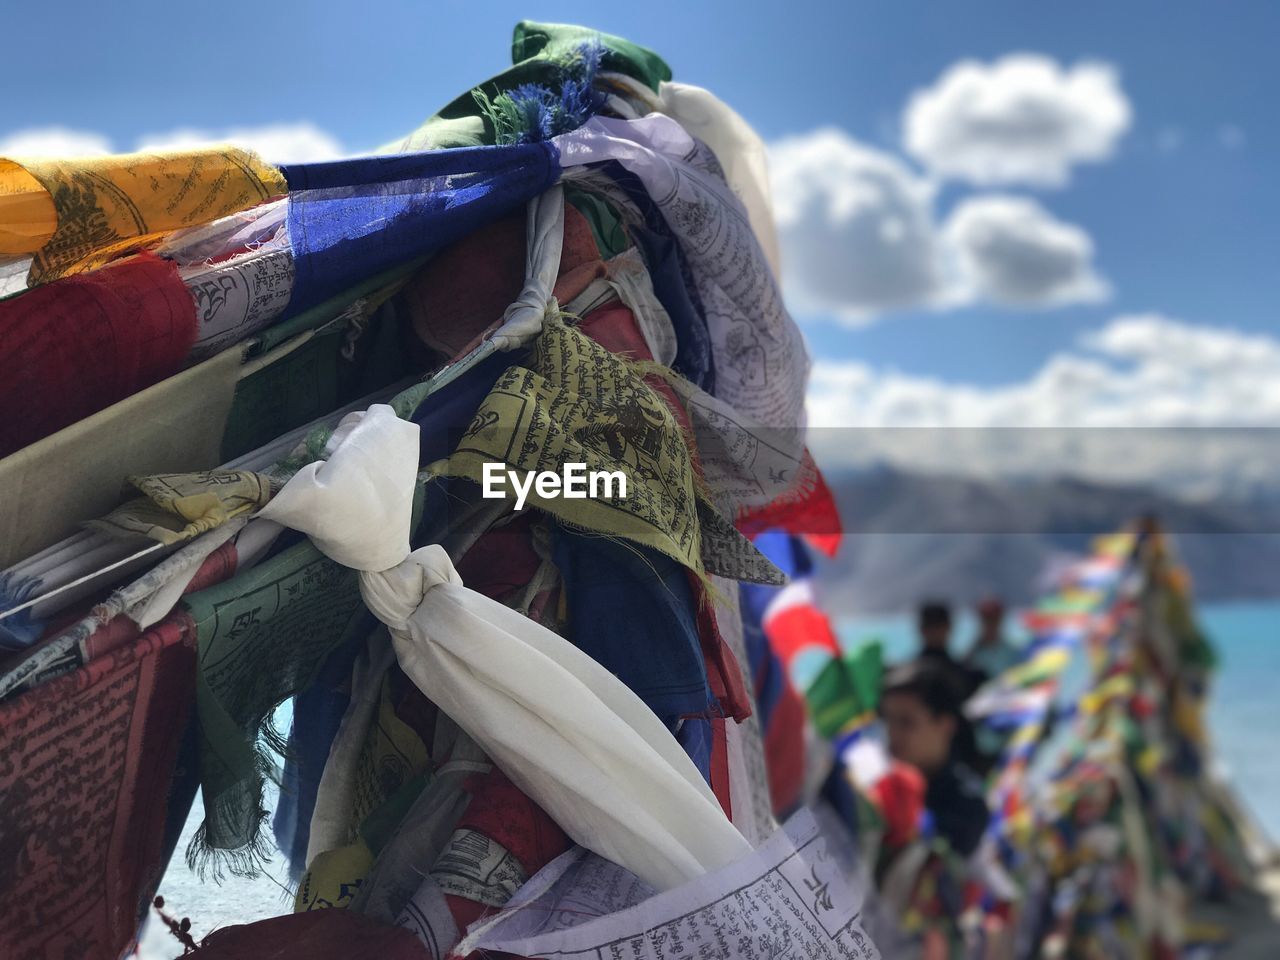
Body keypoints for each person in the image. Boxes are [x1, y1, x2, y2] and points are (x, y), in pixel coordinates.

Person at [877, 659, 990, 857]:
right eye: (888, 720)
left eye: (906, 722)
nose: (892, 734)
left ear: (945, 725)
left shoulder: (968, 806)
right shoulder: (869, 777)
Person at [914, 600, 983, 699]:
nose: (935, 631)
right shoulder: (964, 674)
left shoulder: (969, 675)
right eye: (930, 626)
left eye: (938, 626)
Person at [965, 596, 1020, 683]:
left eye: (995, 618)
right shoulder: (971, 656)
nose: (991, 623)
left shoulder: (1013, 653)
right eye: (987, 618)